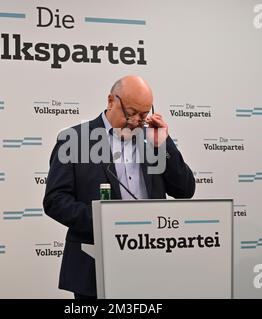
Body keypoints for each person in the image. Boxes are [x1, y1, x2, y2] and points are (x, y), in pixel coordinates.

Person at [43, 75, 196, 299]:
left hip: (150, 264)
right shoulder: (74, 140)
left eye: (144, 115)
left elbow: (185, 190)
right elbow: (55, 200)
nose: (136, 121)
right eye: (131, 112)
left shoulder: (152, 138)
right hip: (95, 267)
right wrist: (108, 223)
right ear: (111, 101)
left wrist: (164, 144)